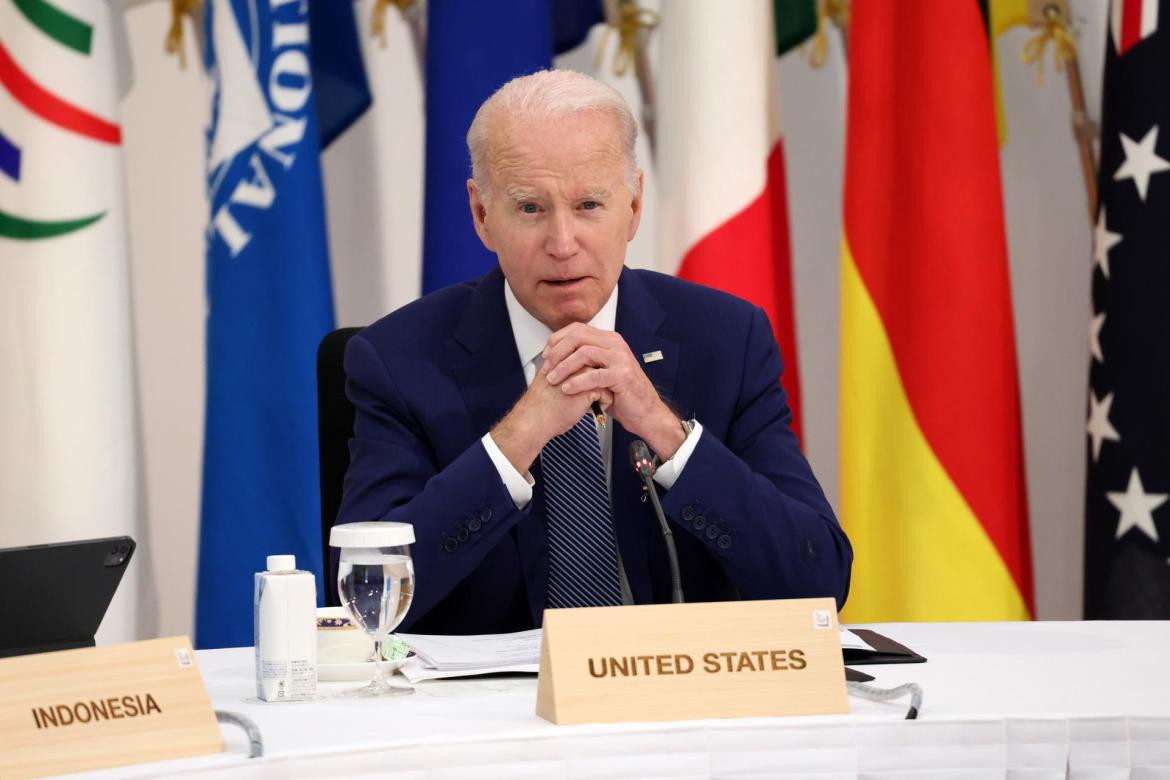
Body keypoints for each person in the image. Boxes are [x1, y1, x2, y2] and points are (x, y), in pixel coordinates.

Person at [337, 70, 851, 634]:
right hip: (491, 713)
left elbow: (818, 579)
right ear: (482, 216)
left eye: (588, 205)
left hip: (677, 700)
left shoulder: (728, 341)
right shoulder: (398, 360)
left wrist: (664, 428)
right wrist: (517, 439)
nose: (562, 244)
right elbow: (367, 596)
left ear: (632, 207)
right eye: (530, 208)